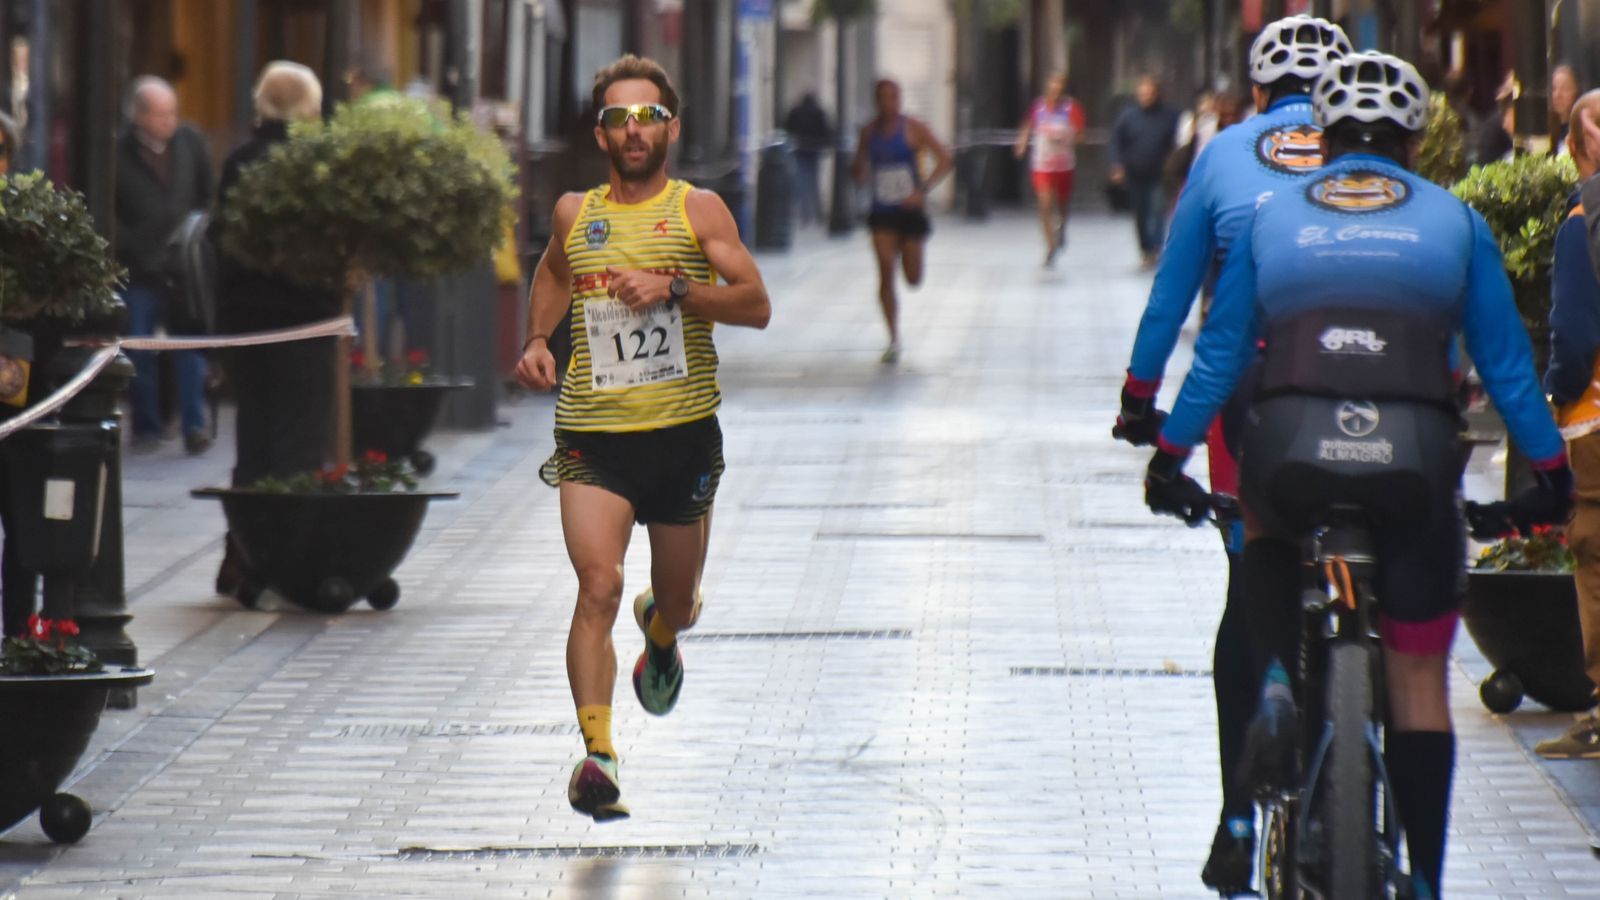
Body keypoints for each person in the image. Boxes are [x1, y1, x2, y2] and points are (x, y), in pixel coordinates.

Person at [1142, 52, 1573, 898]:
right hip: (1414, 455)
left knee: (1263, 529)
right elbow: (1510, 369)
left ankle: (1272, 692)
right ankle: (1423, 880)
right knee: (1416, 680)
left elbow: (1223, 351)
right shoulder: (1455, 221)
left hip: (1289, 441)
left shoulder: (1272, 217)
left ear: (1325, 136)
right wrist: (1550, 477)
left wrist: (1171, 453)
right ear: (1414, 140)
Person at [1112, 14, 1350, 894]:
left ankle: (1237, 815)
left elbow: (1176, 294)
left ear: (1255, 94)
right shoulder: (1374, 159)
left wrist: (1142, 403)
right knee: (1352, 572)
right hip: (1376, 401)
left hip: (1248, 405)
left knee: (1251, 587)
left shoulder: (1221, 155)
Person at [514, 54, 771, 822]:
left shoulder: (700, 213)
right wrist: (536, 337)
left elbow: (755, 304)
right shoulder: (573, 212)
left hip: (683, 436)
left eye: (648, 117)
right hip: (595, 436)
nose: (635, 129)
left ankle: (662, 633)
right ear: (601, 133)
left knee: (682, 601)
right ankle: (599, 757)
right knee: (597, 586)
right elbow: (556, 271)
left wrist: (678, 287)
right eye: (620, 118)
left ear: (672, 127)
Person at [212, 62, 341, 596]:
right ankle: (290, 559)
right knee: (300, 445)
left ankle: (244, 554)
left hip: (246, 326)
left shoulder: (240, 161)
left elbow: (223, 242)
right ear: (308, 108)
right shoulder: (317, 164)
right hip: (306, 322)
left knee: (254, 438)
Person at [1540, 89, 1600, 758]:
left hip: (1595, 426)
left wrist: (1554, 395)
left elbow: (1574, 334)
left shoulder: (1582, 220)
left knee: (1596, 558)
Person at [114, 76, 214, 454]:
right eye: (159, 114)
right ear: (138, 116)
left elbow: (207, 194)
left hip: (183, 267)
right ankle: (147, 426)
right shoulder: (118, 151)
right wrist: (134, 242)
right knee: (138, 347)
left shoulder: (190, 143)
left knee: (189, 348)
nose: (168, 121)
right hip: (138, 269)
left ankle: (194, 425)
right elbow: (108, 212)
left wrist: (199, 237)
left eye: (172, 112)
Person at [853, 78, 953, 364]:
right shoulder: (869, 132)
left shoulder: (913, 128)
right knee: (885, 267)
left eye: (893, 97)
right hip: (882, 210)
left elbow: (945, 159)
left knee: (912, 278)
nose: (888, 103)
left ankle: (896, 328)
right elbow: (859, 168)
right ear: (876, 101)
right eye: (883, 98)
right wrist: (859, 171)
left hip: (910, 212)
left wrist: (921, 190)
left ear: (899, 99)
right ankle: (893, 337)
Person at [1013, 71, 1085, 266]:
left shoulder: (1071, 108)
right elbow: (1028, 124)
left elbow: (1080, 133)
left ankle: (1061, 228)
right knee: (1044, 204)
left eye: (1059, 89)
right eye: (1052, 89)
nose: (1055, 93)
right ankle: (1050, 245)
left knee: (1062, 204)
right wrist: (1022, 142)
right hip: (1042, 164)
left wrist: (1069, 139)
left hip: (1063, 164)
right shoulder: (1039, 107)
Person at [1110, 75, 1181, 269]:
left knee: (1157, 210)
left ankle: (1156, 247)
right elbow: (1117, 141)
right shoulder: (1128, 116)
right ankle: (1145, 249)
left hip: (1159, 174)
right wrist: (1117, 165)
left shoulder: (1170, 116)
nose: (1146, 97)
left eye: (1149, 93)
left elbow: (1179, 141)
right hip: (1135, 173)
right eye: (1143, 93)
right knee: (1140, 214)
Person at [784, 92, 833, 227]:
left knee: (801, 181)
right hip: (814, 150)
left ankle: (804, 213)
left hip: (801, 149)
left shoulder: (797, 111)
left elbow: (788, 128)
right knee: (813, 182)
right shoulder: (818, 112)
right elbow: (826, 131)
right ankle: (813, 213)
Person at [1553, 64, 1580, 157]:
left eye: (1565, 88)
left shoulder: (1581, 130)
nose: (1558, 95)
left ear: (1576, 92)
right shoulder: (1545, 130)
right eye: (1554, 89)